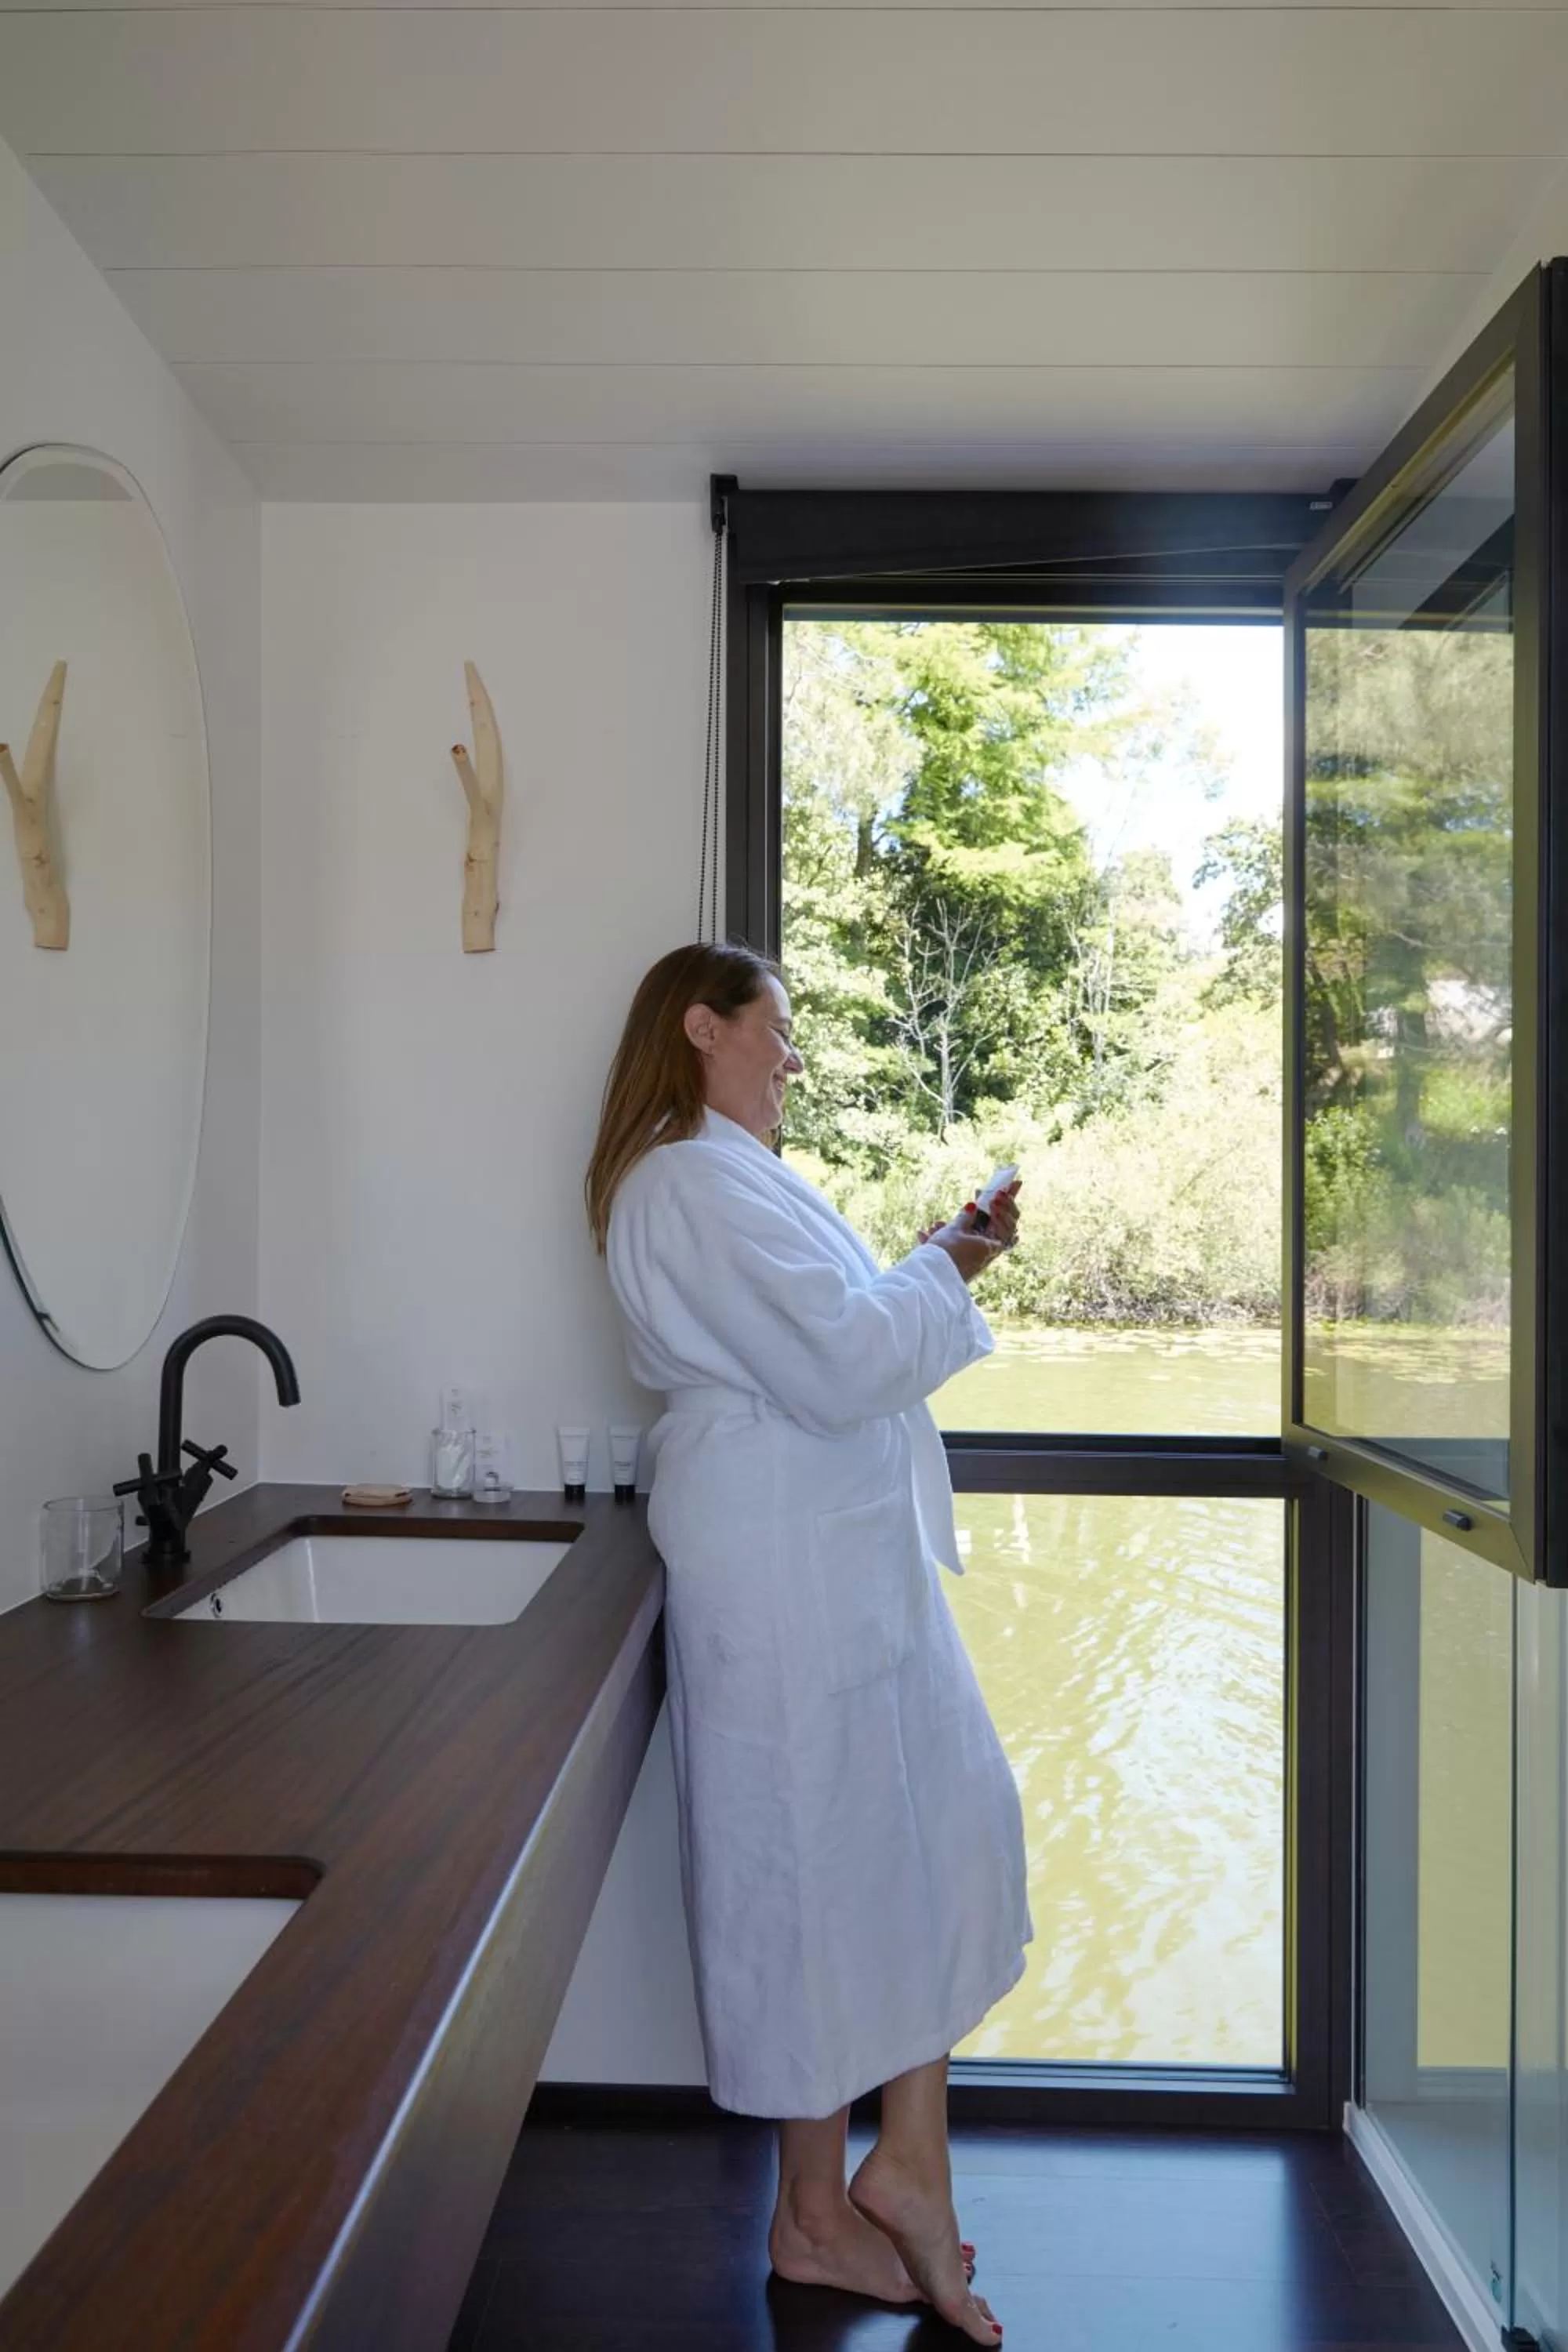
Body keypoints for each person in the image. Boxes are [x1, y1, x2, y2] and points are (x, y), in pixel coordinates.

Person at [586, 940, 1031, 2344]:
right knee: (812, 1868)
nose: (792, 1055)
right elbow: (842, 1362)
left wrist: (936, 1261)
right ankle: (841, 2202)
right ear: (701, 1028)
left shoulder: (731, 1178)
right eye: (775, 1027)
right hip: (784, 1566)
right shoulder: (682, 1184)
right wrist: (953, 1256)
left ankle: (866, 2185)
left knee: (896, 1846)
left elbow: (836, 1342)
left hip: (828, 1555)